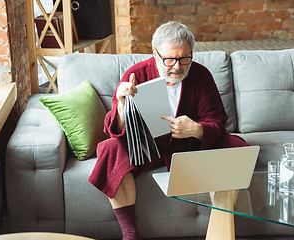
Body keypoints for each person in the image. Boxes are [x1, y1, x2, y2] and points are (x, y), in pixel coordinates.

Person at [88, 21, 250, 240]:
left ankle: (221, 226)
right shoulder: (136, 74)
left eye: (185, 59)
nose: (177, 66)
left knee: (235, 148)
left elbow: (217, 120)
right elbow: (113, 130)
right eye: (170, 59)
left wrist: (197, 129)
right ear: (154, 53)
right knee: (109, 148)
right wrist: (122, 108)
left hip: (189, 144)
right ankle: (130, 232)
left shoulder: (200, 75)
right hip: (146, 147)